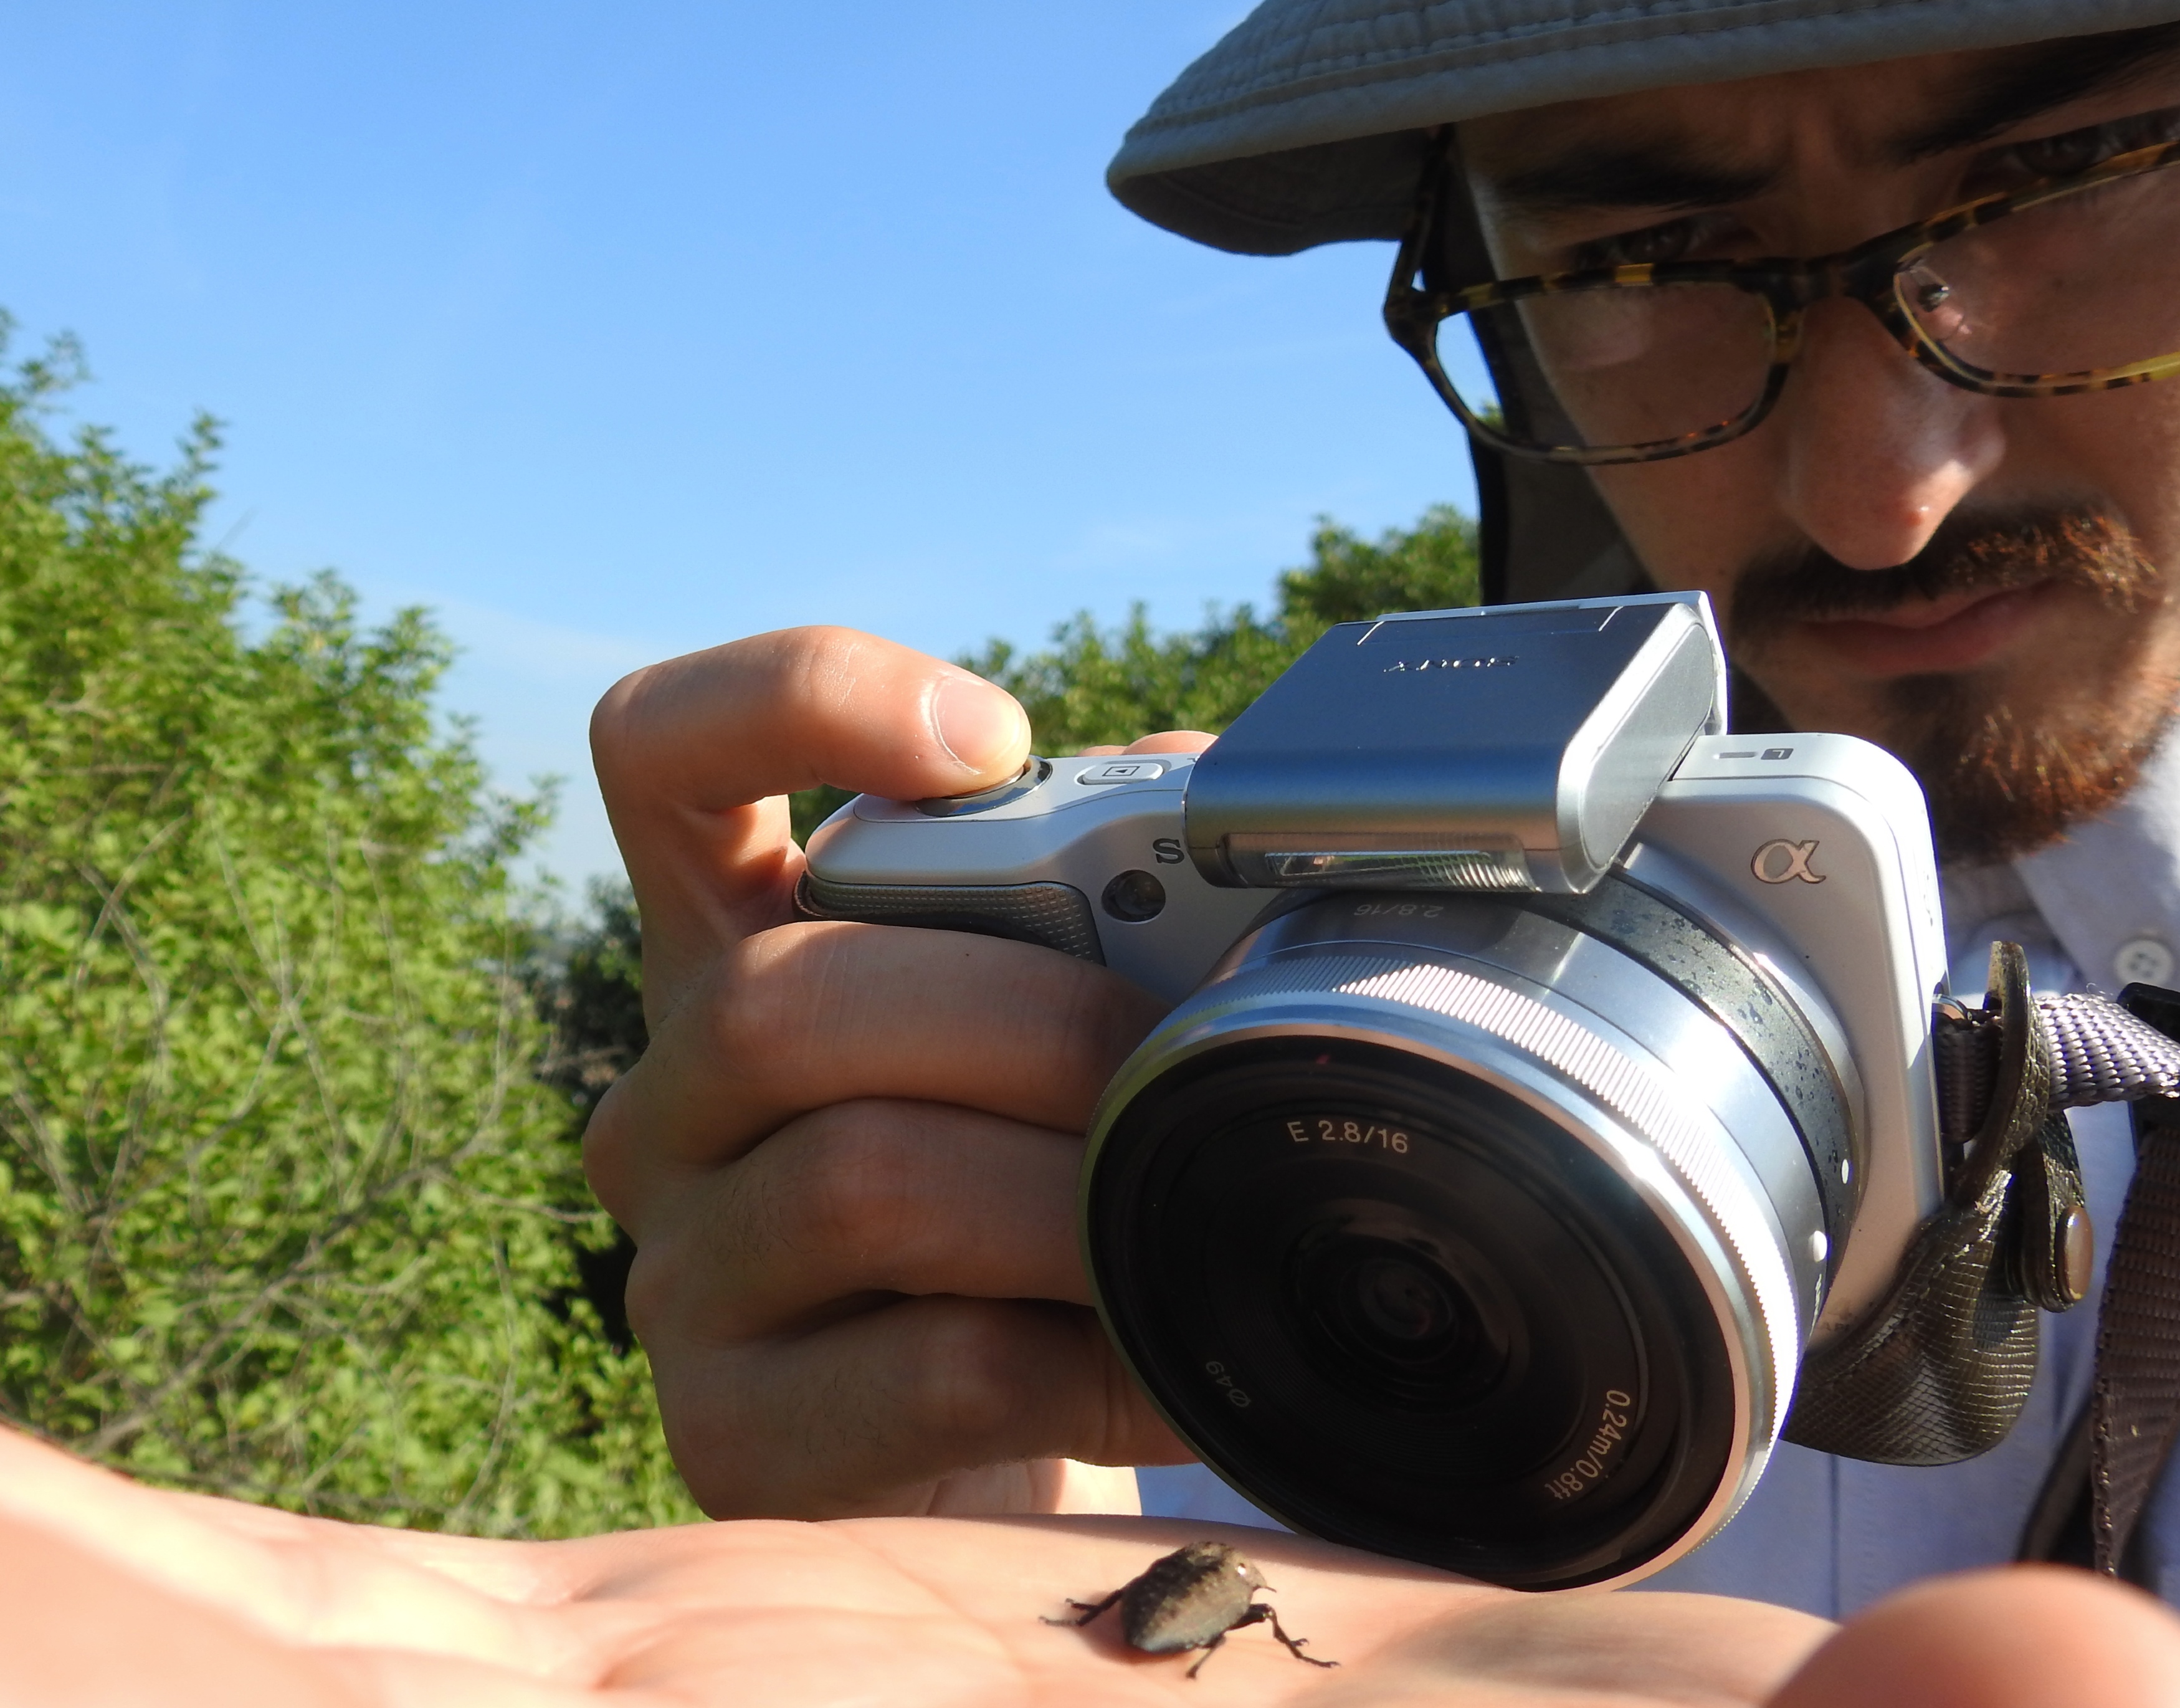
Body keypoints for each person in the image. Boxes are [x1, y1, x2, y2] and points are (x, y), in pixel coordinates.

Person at [583, 0, 2180, 1657]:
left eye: (2071, 170)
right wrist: (992, 1518)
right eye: (1637, 262)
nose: (1879, 495)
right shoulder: (1255, 1139)